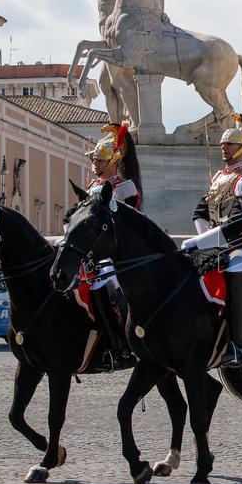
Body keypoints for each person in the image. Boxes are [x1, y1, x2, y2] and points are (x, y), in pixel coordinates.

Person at [182, 112, 242, 367]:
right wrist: (202, 239)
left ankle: (236, 345)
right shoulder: (219, 178)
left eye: (229, 144)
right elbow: (200, 211)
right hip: (218, 242)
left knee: (234, 269)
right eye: (222, 144)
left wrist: (203, 242)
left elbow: (239, 222)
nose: (223, 148)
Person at [82, 121, 142, 371]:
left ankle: (117, 345)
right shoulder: (91, 188)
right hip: (89, 251)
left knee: (100, 284)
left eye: (99, 161)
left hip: (116, 253)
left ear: (113, 161)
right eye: (94, 161)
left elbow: (129, 222)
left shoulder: (125, 188)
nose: (94, 165)